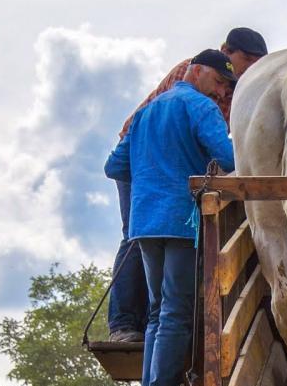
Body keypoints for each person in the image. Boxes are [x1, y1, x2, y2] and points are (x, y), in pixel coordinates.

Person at [104, 50, 237, 386]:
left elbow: (114, 166)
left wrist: (151, 171)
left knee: (158, 311)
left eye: (226, 87)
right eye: (217, 82)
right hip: (181, 220)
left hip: (144, 222)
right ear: (195, 72)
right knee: (177, 310)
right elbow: (228, 158)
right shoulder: (200, 108)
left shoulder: (146, 112)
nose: (220, 92)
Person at [106, 28, 267, 341]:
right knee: (137, 235)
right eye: (245, 59)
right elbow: (171, 122)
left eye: (256, 62)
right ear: (226, 52)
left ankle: (168, 320)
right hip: (142, 157)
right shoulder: (192, 72)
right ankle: (124, 323)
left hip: (174, 164)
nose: (248, 69)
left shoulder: (238, 89)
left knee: (167, 240)